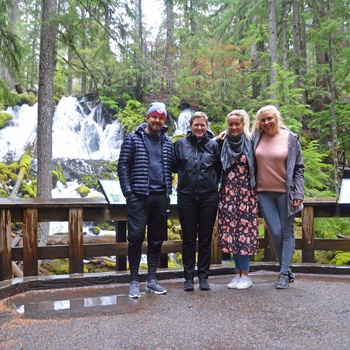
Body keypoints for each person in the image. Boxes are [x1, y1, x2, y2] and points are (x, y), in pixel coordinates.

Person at [117, 102, 175, 298]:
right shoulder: (133, 139)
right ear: (148, 117)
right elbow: (123, 166)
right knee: (135, 239)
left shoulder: (167, 143)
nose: (157, 120)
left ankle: (152, 279)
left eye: (161, 118)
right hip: (139, 198)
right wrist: (128, 193)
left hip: (161, 197)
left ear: (164, 120)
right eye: (154, 117)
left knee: (157, 240)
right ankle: (134, 280)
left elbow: (177, 165)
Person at [252, 105, 304, 289]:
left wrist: (298, 193)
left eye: (269, 119)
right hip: (263, 193)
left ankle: (283, 273)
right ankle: (286, 268)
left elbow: (299, 168)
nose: (266, 123)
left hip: (286, 193)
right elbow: (238, 132)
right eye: (263, 120)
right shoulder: (256, 137)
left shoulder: (290, 139)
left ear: (277, 118)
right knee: (275, 231)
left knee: (287, 232)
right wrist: (224, 134)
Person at [173, 111, 221, 291]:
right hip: (186, 196)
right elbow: (172, 167)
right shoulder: (180, 145)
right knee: (188, 238)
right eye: (196, 125)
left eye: (202, 125)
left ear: (207, 126)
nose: (199, 128)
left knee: (206, 238)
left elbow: (220, 168)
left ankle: (203, 277)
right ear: (190, 126)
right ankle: (188, 277)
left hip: (209, 196)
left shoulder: (214, 145)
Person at [217, 110, 259, 290]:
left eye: (237, 124)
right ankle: (237, 273)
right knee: (232, 233)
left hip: (246, 194)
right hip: (227, 193)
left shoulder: (251, 142)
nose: (234, 127)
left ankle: (246, 275)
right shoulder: (222, 142)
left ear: (243, 124)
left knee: (244, 234)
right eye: (231, 124)